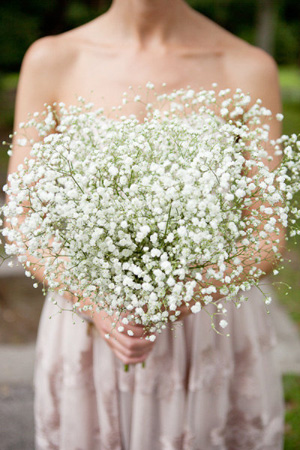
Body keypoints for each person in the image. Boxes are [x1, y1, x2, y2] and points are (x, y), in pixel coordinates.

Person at [8, 0, 284, 448]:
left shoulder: (246, 67)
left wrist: (188, 294)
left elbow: (266, 232)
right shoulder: (54, 59)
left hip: (205, 328)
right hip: (87, 327)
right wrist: (93, 302)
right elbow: (22, 217)